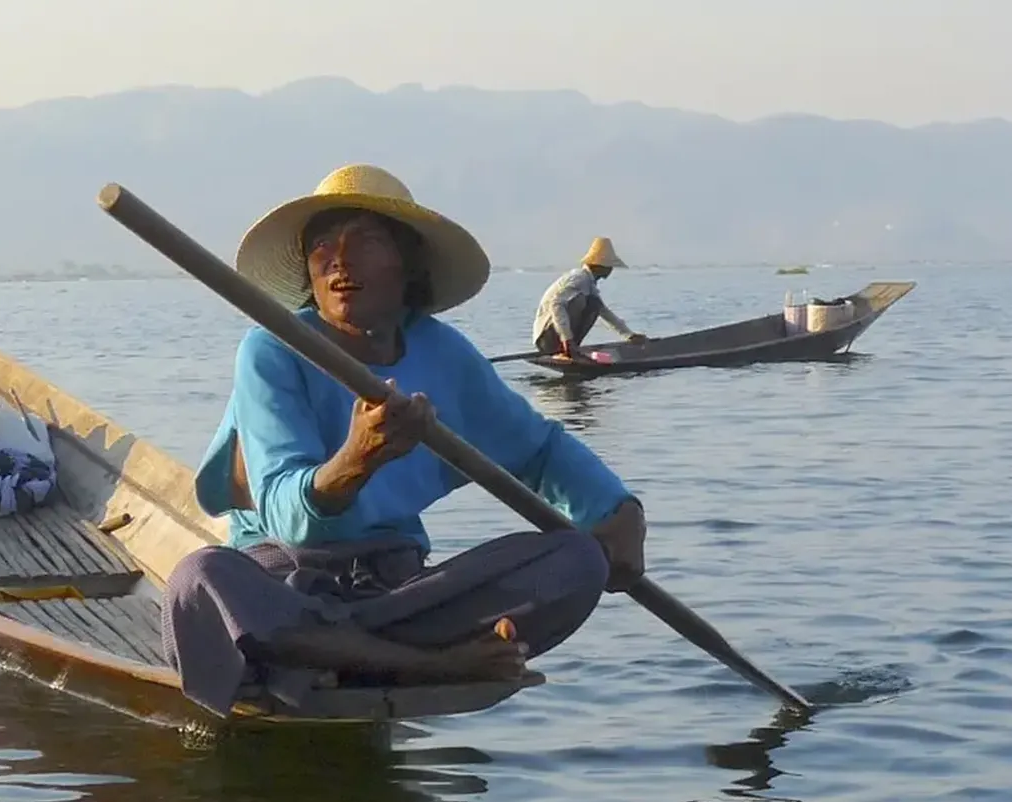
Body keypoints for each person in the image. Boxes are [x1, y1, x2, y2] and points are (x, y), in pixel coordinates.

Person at [162, 164, 650, 717]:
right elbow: (285, 515)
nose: (339, 260)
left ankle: (341, 655)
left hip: (392, 595)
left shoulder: (444, 355)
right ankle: (430, 664)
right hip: (285, 583)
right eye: (323, 244)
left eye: (364, 241)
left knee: (576, 559)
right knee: (199, 578)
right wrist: (355, 461)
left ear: (407, 266)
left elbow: (537, 450)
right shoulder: (272, 350)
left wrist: (619, 510)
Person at [530, 237, 647, 359]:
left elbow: (604, 312)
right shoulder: (579, 279)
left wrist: (629, 335)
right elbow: (556, 304)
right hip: (546, 338)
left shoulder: (589, 284)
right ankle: (566, 347)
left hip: (559, 338)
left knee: (594, 304)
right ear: (600, 266)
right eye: (609, 266)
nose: (611, 269)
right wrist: (566, 338)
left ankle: (570, 347)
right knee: (584, 301)